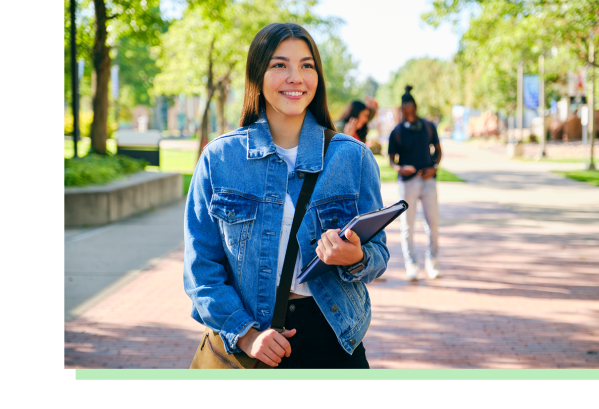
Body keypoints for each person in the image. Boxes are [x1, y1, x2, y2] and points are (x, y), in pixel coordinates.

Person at [184, 23, 389, 369]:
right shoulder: (219, 160)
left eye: (307, 65)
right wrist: (247, 336)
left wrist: (354, 256)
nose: (296, 77)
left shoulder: (352, 158)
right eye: (280, 65)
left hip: (334, 339)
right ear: (257, 75)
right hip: (253, 342)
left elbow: (378, 254)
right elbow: (200, 270)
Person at [388, 85, 443, 281]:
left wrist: (434, 167)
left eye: (411, 109)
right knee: (407, 226)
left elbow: (438, 150)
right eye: (405, 110)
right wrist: (400, 169)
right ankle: (411, 265)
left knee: (433, 224)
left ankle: (432, 263)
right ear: (402, 110)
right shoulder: (397, 132)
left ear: (416, 108)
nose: (408, 113)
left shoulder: (428, 127)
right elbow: (391, 160)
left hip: (428, 181)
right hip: (408, 183)